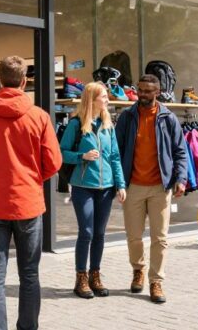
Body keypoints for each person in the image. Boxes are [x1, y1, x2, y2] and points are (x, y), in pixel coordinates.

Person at [0, 55, 63, 330]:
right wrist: (31, 178)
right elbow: (54, 162)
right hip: (28, 203)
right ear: (25, 80)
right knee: (29, 273)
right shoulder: (39, 116)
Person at [114, 74, 187, 304]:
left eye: (147, 91)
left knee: (160, 238)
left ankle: (156, 281)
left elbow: (180, 151)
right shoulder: (127, 117)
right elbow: (117, 151)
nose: (142, 94)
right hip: (133, 186)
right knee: (134, 237)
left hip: (160, 187)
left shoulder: (168, 118)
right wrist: (119, 182)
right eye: (140, 90)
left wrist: (181, 179)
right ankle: (138, 269)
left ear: (158, 92)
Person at [59, 81, 126, 299]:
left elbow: (115, 157)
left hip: (105, 188)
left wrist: (121, 184)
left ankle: (95, 275)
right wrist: (82, 157)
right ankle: (81, 278)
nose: (107, 99)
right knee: (86, 232)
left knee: (99, 233)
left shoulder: (108, 125)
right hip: (82, 187)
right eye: (104, 96)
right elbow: (61, 153)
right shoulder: (75, 125)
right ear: (92, 99)